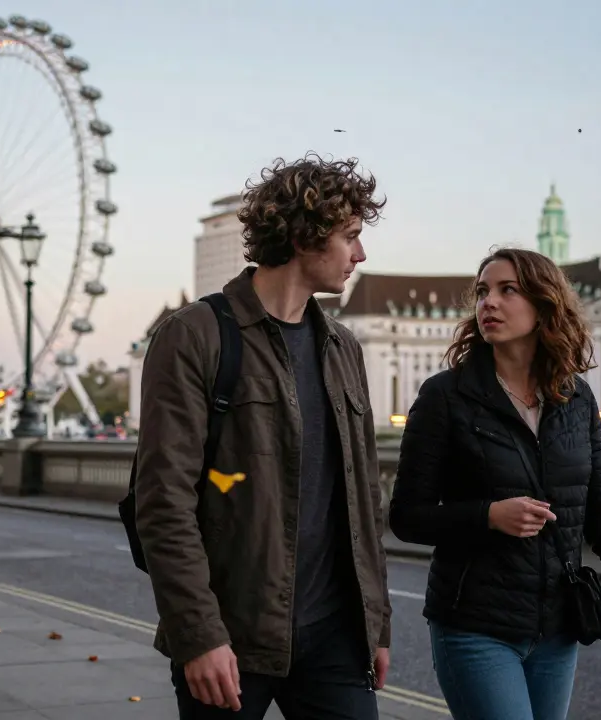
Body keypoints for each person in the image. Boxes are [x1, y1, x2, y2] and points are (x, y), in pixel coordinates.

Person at [389, 248, 601, 720]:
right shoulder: (445, 397)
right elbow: (406, 516)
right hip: (475, 625)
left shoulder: (576, 399)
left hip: (558, 628)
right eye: (482, 292)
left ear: (544, 306)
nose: (488, 303)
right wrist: (489, 516)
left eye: (507, 290)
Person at [133, 153, 392, 719]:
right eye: (350, 236)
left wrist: (376, 623)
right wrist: (198, 634)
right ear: (306, 235)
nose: (361, 254)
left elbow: (363, 497)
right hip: (232, 634)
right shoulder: (194, 335)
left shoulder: (343, 347)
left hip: (335, 637)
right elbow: (164, 501)